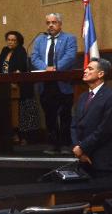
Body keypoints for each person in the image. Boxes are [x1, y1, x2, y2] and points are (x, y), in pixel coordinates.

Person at [30, 13, 78, 154]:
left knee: (65, 115)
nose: (50, 25)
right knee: (49, 116)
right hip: (45, 84)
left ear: (60, 24)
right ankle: (53, 144)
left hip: (62, 83)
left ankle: (66, 144)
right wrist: (46, 68)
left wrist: (56, 69)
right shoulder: (39, 40)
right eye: (48, 23)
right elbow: (34, 57)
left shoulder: (69, 38)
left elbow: (70, 56)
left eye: (54, 22)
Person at [71, 59, 112, 177]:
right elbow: (74, 125)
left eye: (90, 69)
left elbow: (106, 128)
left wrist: (82, 147)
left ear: (101, 74)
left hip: (103, 162)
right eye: (85, 68)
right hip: (83, 159)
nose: (85, 71)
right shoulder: (83, 97)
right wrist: (77, 149)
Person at [0, 30, 40, 144]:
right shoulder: (4, 50)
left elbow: (20, 68)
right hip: (4, 86)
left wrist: (13, 77)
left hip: (20, 87)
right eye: (8, 40)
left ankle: (24, 136)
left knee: (21, 112)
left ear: (18, 41)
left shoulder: (21, 51)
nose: (10, 42)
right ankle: (9, 135)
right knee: (5, 110)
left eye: (13, 40)